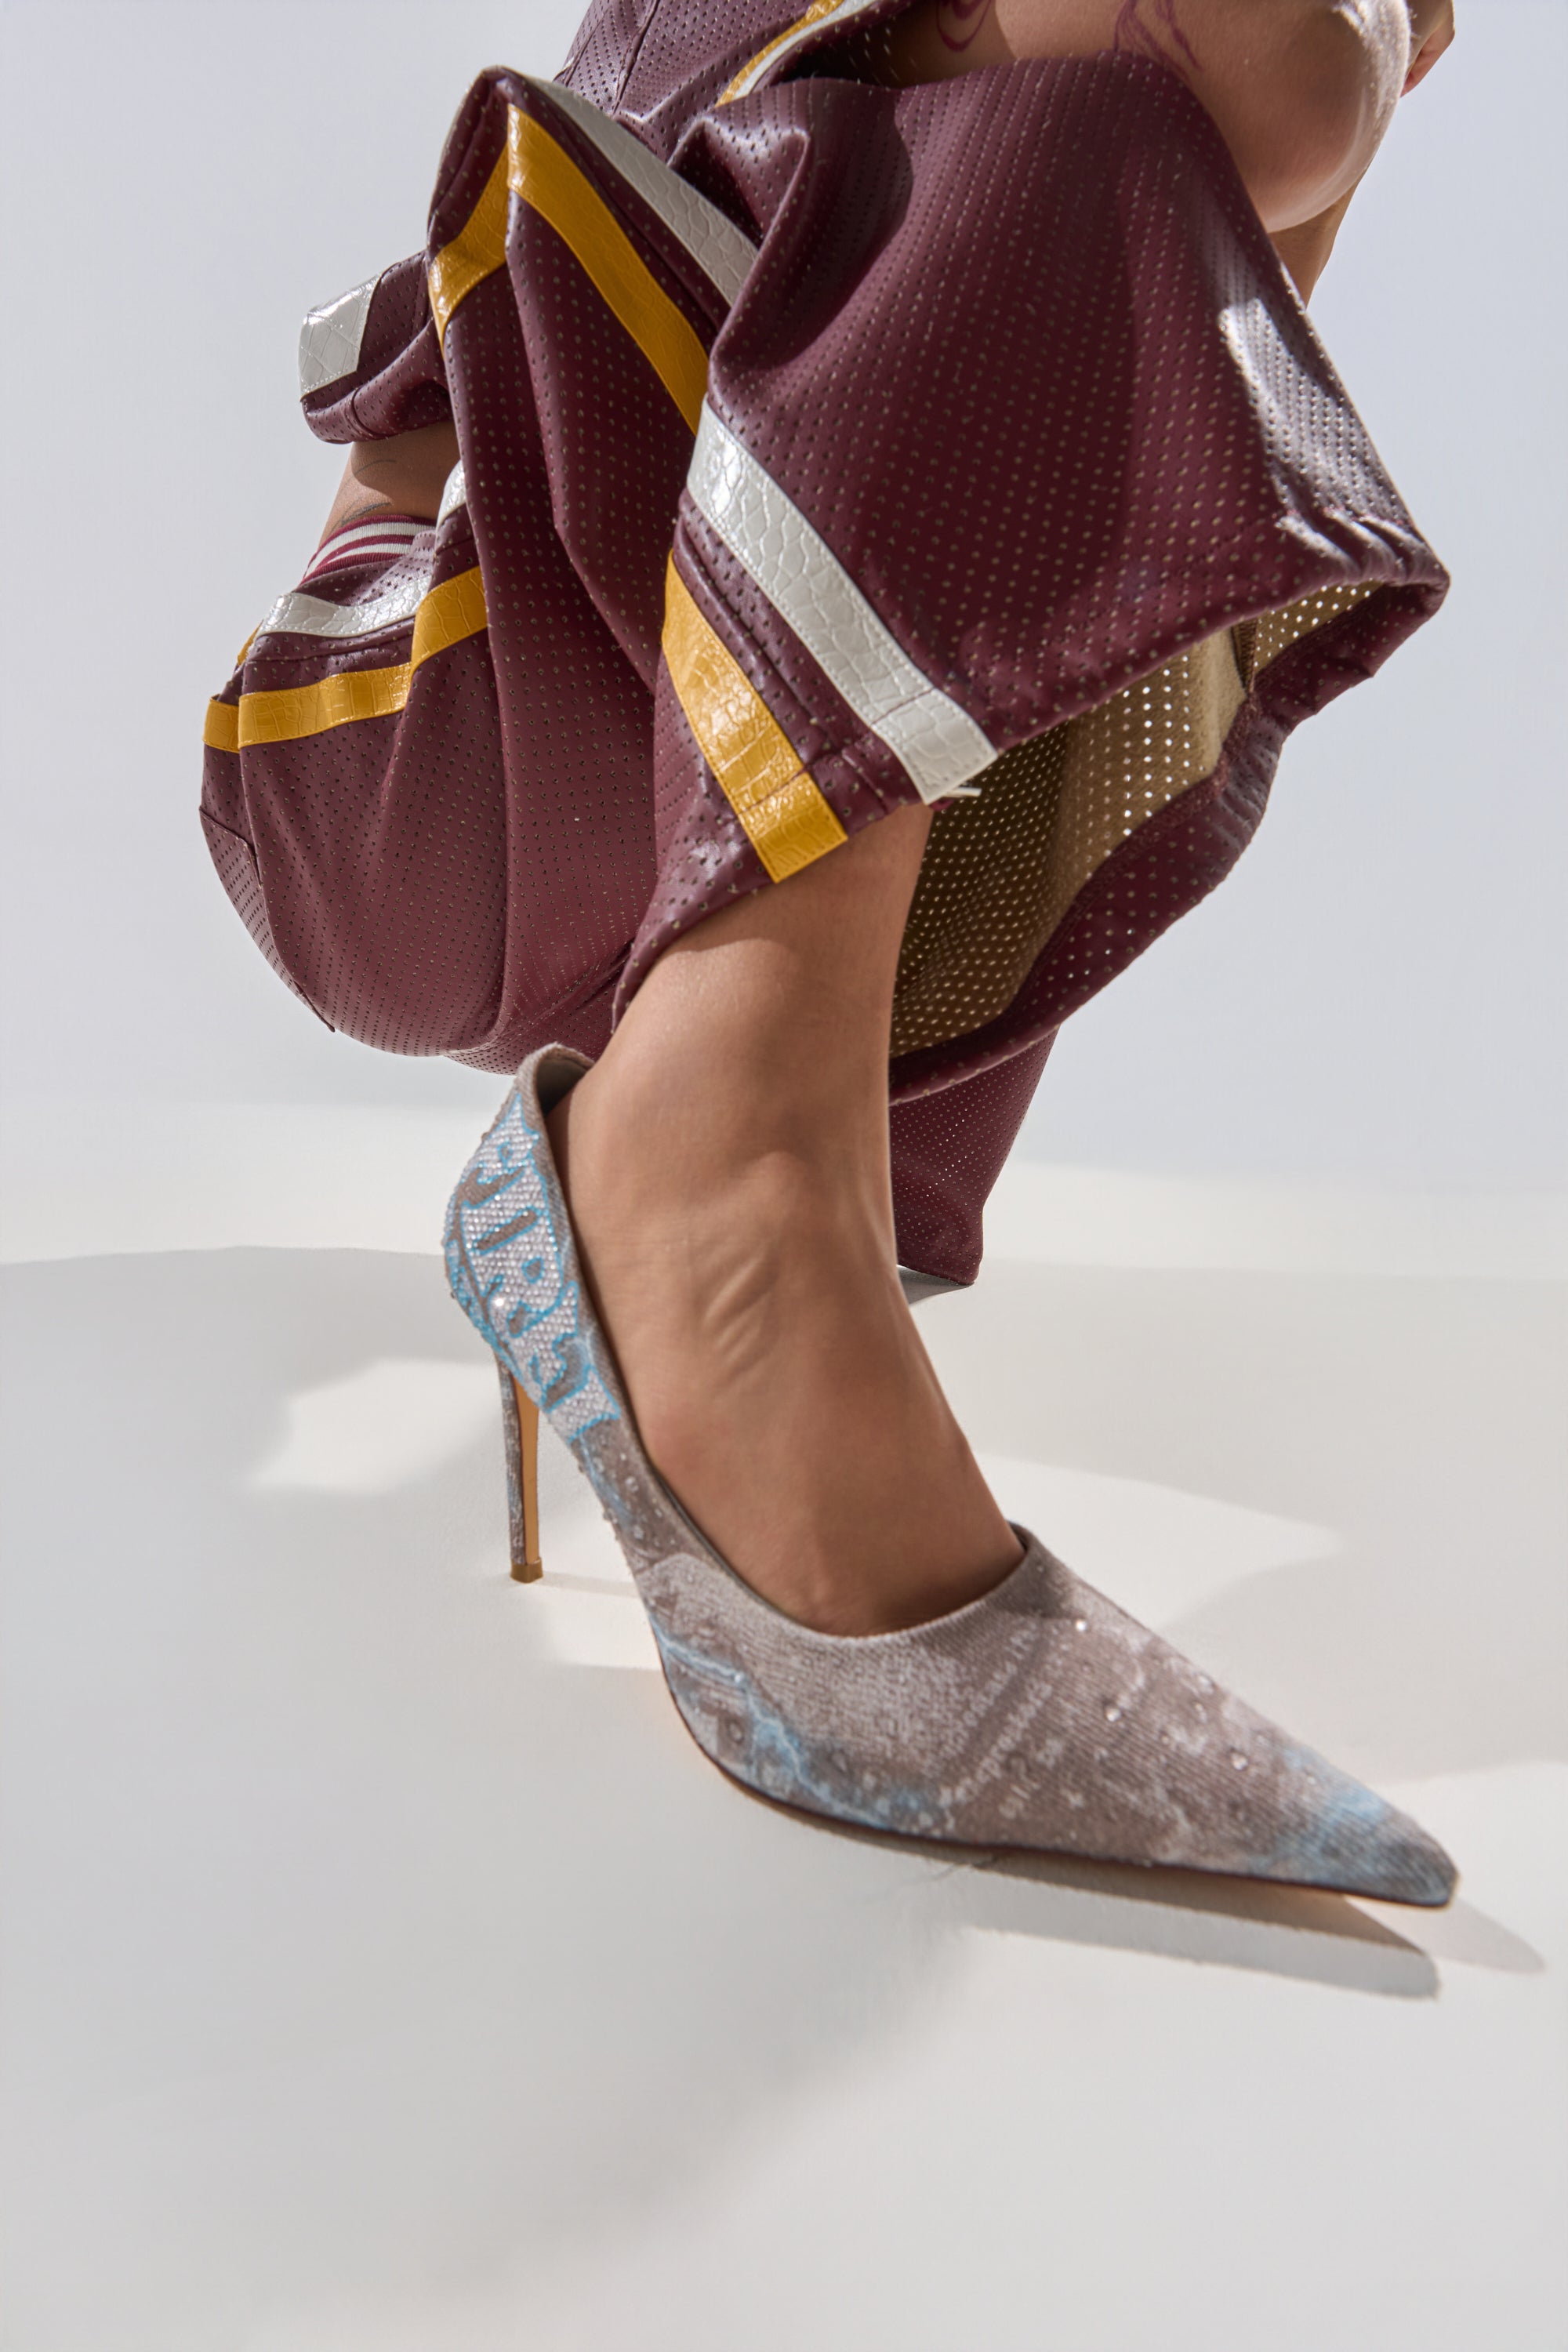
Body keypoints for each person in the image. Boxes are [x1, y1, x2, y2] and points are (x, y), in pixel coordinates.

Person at [204, 0, 1460, 1896]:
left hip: (661, 811)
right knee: (1087, 156)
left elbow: (1250, 181)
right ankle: (713, 1220)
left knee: (1151, 314)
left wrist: (1317, 142)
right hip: (397, 768)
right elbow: (1249, 77)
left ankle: (761, 1207)